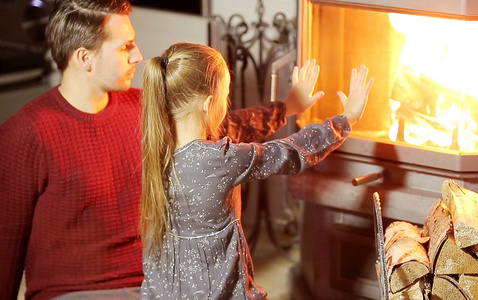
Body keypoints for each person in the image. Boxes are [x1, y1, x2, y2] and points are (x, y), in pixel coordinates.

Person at [0, 0, 326, 299]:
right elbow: (6, 244)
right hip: (75, 292)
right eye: (125, 46)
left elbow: (224, 128)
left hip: (154, 284)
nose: (138, 55)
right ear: (84, 57)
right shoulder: (25, 133)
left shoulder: (146, 108)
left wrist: (287, 106)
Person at [139, 42, 373, 299]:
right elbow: (290, 152)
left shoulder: (159, 141)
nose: (226, 105)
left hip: (167, 289)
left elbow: (238, 123)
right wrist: (345, 120)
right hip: (213, 290)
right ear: (208, 104)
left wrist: (288, 106)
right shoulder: (218, 159)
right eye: (225, 96)